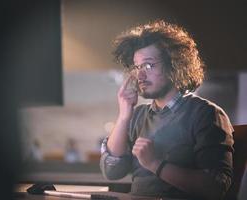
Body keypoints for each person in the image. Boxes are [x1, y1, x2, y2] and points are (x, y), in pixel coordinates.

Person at [100, 20, 234, 200]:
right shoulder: (138, 115)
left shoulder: (207, 114)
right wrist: (124, 115)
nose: (140, 75)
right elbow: (112, 171)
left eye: (148, 65)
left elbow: (216, 187)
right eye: (137, 67)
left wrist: (156, 164)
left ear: (174, 66)